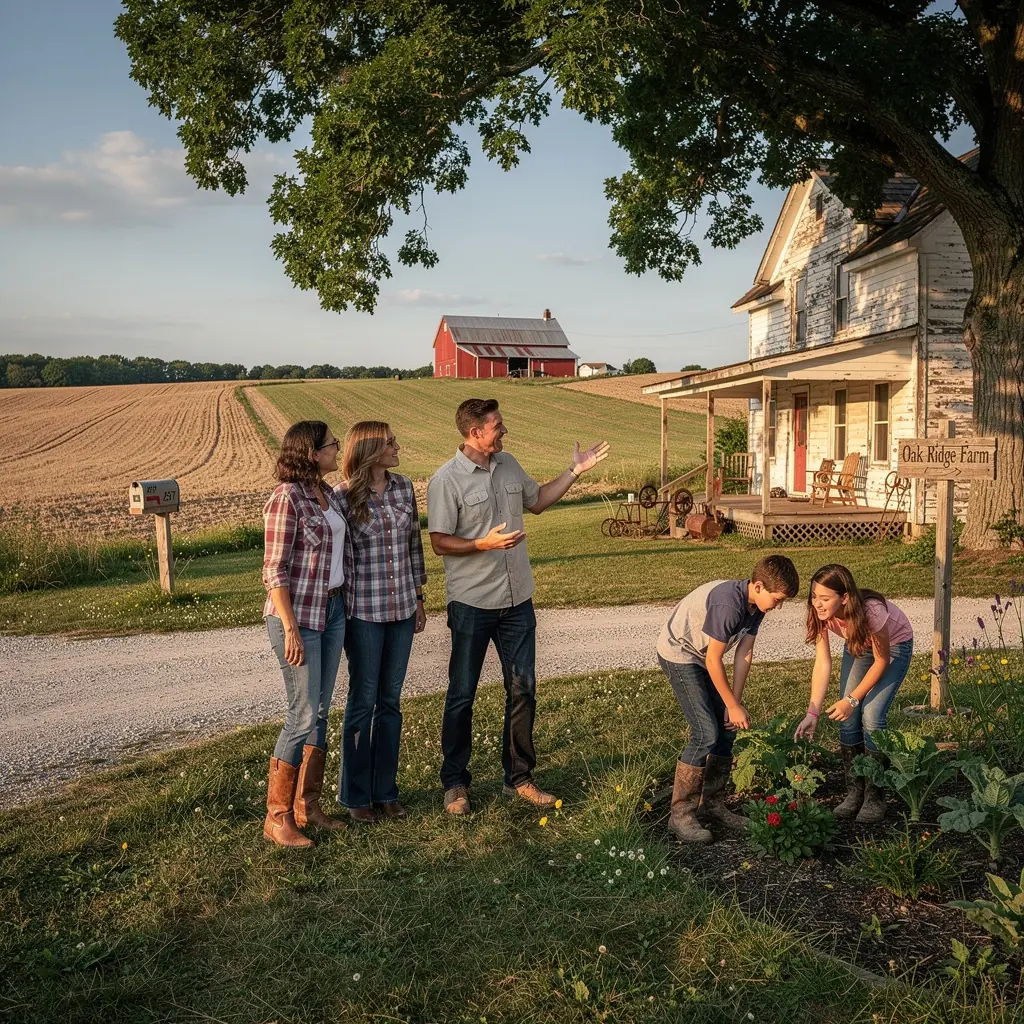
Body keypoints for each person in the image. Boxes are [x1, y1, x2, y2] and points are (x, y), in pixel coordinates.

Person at [427, 397, 609, 816]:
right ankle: (455, 783)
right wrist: (481, 544)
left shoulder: (509, 465)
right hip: (472, 603)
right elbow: (438, 542)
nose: (504, 431)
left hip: (517, 603)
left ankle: (519, 778)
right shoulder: (447, 480)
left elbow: (539, 501)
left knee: (523, 689)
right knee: (461, 695)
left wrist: (575, 471)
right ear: (475, 432)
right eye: (497, 426)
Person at [657, 555, 800, 844]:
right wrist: (732, 706)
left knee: (727, 728)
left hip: (706, 657)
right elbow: (713, 659)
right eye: (777, 598)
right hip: (682, 654)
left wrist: (733, 701)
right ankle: (680, 815)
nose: (779, 605)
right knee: (705, 732)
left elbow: (744, 652)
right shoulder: (729, 604)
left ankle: (712, 804)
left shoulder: (756, 605)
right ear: (758, 586)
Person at [261, 420, 352, 848]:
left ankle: (308, 807)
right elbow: (274, 570)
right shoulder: (286, 499)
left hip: (332, 610)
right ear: (313, 454)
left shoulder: (328, 494)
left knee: (319, 712)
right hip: (297, 617)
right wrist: (291, 627)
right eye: (333, 444)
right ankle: (277, 817)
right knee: (301, 715)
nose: (338, 447)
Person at [337, 421, 427, 823]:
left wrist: (420, 598)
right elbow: (339, 560)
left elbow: (414, 547)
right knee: (362, 702)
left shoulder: (404, 487)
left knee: (391, 703)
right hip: (364, 614)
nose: (397, 447)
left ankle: (386, 792)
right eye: (391, 443)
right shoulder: (342, 497)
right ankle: (356, 797)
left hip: (403, 609)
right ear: (370, 450)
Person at [794, 563, 914, 823]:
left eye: (825, 598)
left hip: (893, 648)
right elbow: (822, 663)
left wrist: (852, 699)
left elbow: (881, 661)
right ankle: (854, 793)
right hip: (860, 645)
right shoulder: (818, 614)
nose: (817, 603)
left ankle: (875, 796)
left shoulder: (872, 611)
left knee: (871, 715)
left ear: (845, 597)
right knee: (847, 717)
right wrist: (812, 712)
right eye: (814, 596)